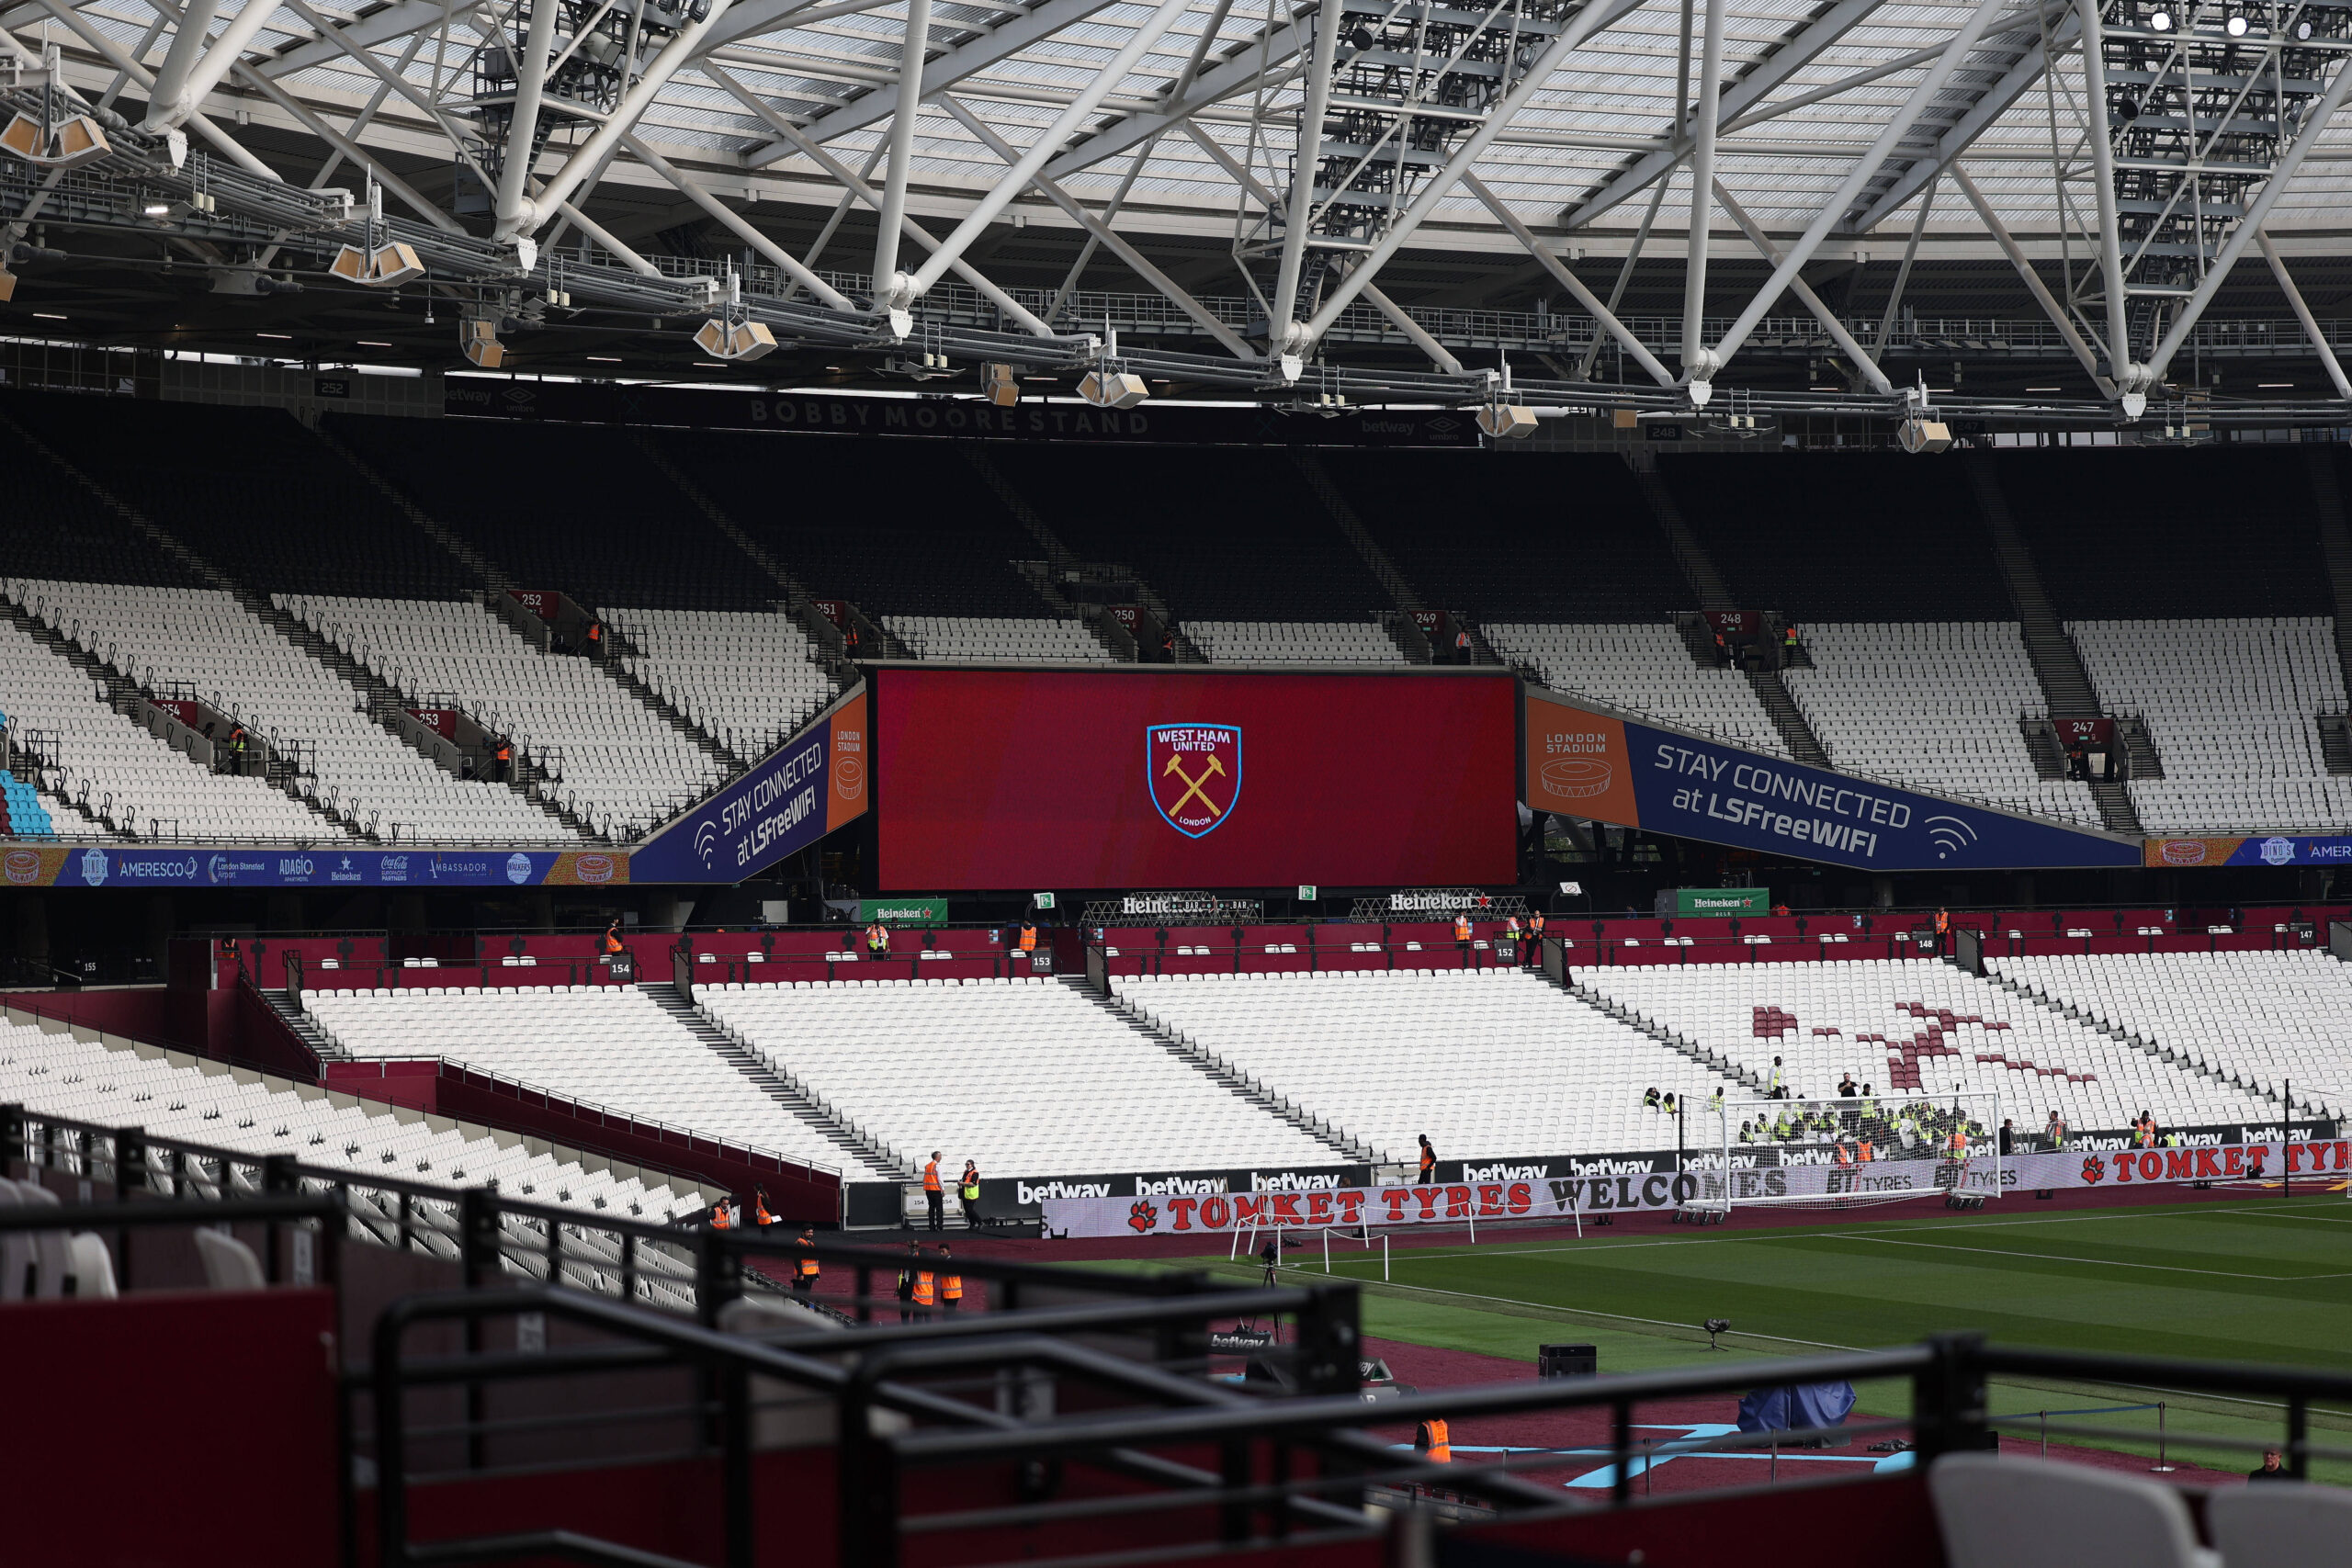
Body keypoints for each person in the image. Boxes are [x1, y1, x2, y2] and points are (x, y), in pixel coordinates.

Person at [793, 1226, 820, 1293]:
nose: (810, 1234)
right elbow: (797, 1260)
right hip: (804, 1273)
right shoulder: (799, 1243)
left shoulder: (811, 1243)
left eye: (811, 1232)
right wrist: (800, 1274)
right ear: (803, 1233)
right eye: (808, 1232)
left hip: (811, 1272)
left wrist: (816, 1273)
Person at [923, 1152, 944, 1232]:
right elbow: (940, 1179)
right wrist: (942, 1188)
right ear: (937, 1157)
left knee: (931, 1208)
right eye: (940, 1155)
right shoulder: (937, 1166)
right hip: (936, 1189)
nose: (941, 1157)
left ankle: (931, 1226)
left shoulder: (928, 1166)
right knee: (939, 1208)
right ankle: (939, 1226)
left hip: (928, 1189)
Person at [938, 1244, 962, 1313]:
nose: (941, 1254)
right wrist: (942, 1294)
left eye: (943, 1251)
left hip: (953, 1294)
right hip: (949, 1293)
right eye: (940, 1252)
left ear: (948, 1251)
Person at [959, 1160, 981, 1227]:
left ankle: (980, 1222)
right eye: (966, 1164)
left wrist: (962, 1183)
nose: (966, 1165)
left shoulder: (975, 1172)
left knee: (970, 1210)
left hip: (971, 1194)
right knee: (967, 1211)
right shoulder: (966, 1171)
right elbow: (964, 1180)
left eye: (968, 1164)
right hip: (965, 1193)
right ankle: (972, 1224)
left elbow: (973, 1184)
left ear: (972, 1165)